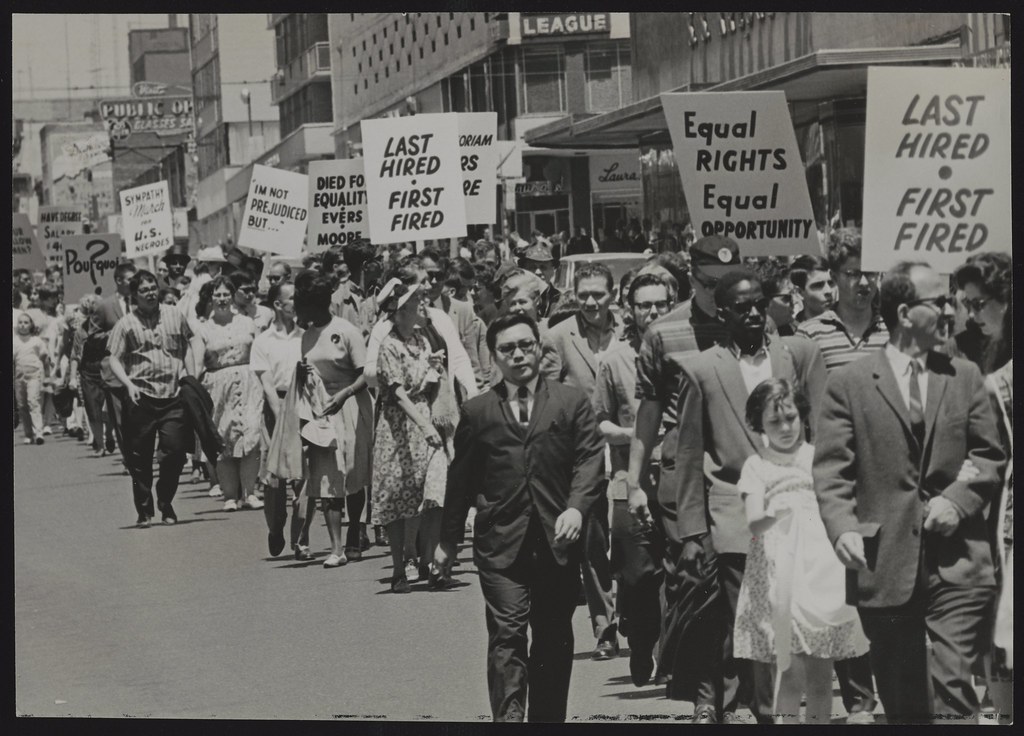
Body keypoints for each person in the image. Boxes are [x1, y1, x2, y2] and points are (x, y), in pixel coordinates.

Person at [814, 261, 1005, 724]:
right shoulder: (849, 385)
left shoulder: (964, 376)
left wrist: (958, 501)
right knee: (904, 704)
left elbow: (991, 455)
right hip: (883, 560)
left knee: (954, 692)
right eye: (936, 302)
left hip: (959, 561)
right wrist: (841, 529)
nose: (948, 310)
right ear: (904, 312)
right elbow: (832, 468)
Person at [667, 267, 827, 724]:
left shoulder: (796, 355)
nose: (754, 313)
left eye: (760, 304)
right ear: (722, 312)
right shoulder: (702, 370)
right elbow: (690, 454)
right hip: (736, 520)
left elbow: (825, 432)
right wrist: (693, 533)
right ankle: (769, 715)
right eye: (742, 308)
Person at [435, 313, 605, 722]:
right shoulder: (477, 411)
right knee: (507, 635)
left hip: (556, 541)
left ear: (539, 347)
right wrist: (448, 540)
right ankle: (509, 720)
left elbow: (589, 459)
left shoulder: (570, 401)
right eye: (507, 348)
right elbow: (459, 481)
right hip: (501, 544)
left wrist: (576, 508)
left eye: (525, 345)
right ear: (494, 356)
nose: (518, 355)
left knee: (552, 637)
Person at [733, 379, 869, 724]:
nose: (784, 428)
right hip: (781, 577)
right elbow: (753, 522)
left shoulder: (819, 459)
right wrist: (777, 513)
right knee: (790, 671)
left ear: (804, 417)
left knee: (822, 674)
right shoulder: (758, 466)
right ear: (758, 425)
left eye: (790, 418)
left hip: (821, 573)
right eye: (774, 422)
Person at [593, 272, 674, 686]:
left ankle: (672, 654)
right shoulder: (614, 360)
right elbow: (600, 424)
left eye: (661, 303)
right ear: (631, 310)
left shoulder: (684, 352)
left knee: (678, 574)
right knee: (638, 576)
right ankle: (640, 640)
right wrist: (636, 434)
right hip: (630, 481)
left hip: (679, 480)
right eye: (645, 305)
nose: (654, 311)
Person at [540, 262, 622, 660]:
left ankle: (641, 618)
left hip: (626, 448)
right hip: (581, 454)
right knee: (592, 543)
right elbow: (548, 394)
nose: (591, 302)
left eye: (598, 294)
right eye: (584, 294)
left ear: (613, 294)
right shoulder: (558, 336)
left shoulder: (632, 331)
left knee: (631, 541)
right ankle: (605, 626)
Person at [372, 281, 456, 591]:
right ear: (400, 311)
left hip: (429, 420)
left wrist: (433, 369)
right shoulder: (389, 346)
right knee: (399, 497)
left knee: (435, 492)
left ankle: (430, 562)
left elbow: (425, 380)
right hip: (400, 428)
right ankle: (398, 569)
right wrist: (423, 425)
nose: (422, 304)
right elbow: (396, 393)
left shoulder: (422, 340)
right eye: (415, 301)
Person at [292, 271, 374, 568]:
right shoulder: (306, 337)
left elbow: (367, 373)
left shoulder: (346, 331)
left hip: (350, 406)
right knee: (327, 479)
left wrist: (345, 394)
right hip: (321, 411)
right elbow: (308, 372)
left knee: (352, 476)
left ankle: (354, 534)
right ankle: (336, 548)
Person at [107, 270, 195, 527]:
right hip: (141, 396)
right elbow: (114, 357)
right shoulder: (126, 324)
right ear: (134, 295)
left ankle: (165, 500)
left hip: (173, 394)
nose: (151, 293)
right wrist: (128, 384)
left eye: (153, 288)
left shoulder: (174, 314)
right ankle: (144, 510)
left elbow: (187, 345)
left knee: (175, 452)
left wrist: (189, 376)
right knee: (139, 457)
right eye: (144, 290)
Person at [189, 276, 265, 513]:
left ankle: (249, 492)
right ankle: (230, 495)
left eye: (225, 294)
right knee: (223, 438)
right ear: (210, 298)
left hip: (248, 380)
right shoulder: (203, 329)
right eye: (217, 295)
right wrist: (194, 387)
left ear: (232, 296)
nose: (222, 299)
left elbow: (260, 350)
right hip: (218, 384)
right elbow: (197, 361)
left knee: (251, 433)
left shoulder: (247, 323)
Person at [250, 280, 312, 558]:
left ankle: (301, 538)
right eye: (292, 299)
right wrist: (282, 418)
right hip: (275, 411)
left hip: (304, 408)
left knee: (305, 476)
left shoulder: (306, 336)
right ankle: (275, 526)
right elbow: (266, 383)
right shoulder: (262, 342)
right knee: (275, 480)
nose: (297, 304)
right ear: (277, 304)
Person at [796, 228, 888, 375]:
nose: (864, 282)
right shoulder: (810, 334)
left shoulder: (893, 331)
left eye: (870, 273)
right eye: (853, 274)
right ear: (834, 277)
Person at [951, 251, 1011, 376]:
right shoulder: (962, 346)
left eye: (978, 304)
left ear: (1005, 298)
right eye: (968, 304)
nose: (971, 315)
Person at [14, 311, 49, 444]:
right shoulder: (14, 341)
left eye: (26, 322)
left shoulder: (36, 341)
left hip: (34, 374)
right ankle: (29, 433)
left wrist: (45, 372)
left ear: (31, 325)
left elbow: (44, 356)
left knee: (33, 401)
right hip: (19, 375)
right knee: (22, 405)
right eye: (20, 322)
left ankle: (39, 432)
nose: (23, 325)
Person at [789, 255, 836, 323]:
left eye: (831, 283)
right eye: (818, 285)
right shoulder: (790, 331)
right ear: (799, 293)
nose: (829, 291)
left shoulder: (850, 324)